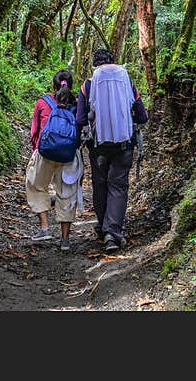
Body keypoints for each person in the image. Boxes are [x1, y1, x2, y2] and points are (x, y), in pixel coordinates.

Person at [76, 49, 148, 253]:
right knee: (118, 186)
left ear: (94, 65)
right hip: (124, 145)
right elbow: (142, 116)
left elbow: (80, 119)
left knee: (100, 184)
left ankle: (103, 225)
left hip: (98, 147)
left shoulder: (87, 86)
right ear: (114, 62)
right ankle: (112, 233)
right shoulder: (127, 84)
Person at [26, 69, 84, 252]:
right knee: (66, 193)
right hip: (68, 155)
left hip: (46, 153)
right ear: (71, 85)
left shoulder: (43, 103)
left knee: (36, 185)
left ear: (53, 85)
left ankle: (44, 228)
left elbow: (34, 132)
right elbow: (82, 126)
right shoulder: (77, 104)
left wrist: (36, 151)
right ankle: (65, 240)